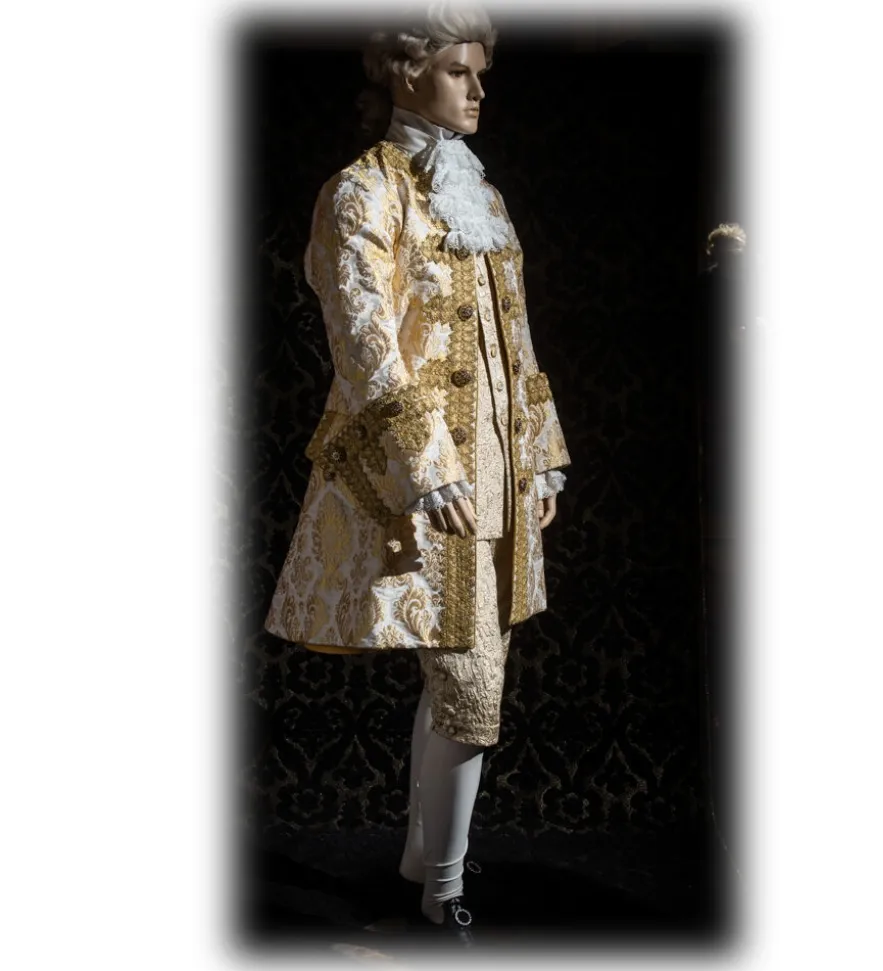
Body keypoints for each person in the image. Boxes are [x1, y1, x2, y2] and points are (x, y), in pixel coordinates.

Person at [263, 1, 572, 945]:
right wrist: (427, 465)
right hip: (423, 480)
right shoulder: (361, 192)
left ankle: (420, 861)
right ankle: (443, 891)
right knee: (470, 686)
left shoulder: (483, 195)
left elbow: (515, 337)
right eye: (457, 72)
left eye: (480, 73)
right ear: (406, 72)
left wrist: (541, 451)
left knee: (466, 671)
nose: (478, 91)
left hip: (500, 468)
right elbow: (364, 342)